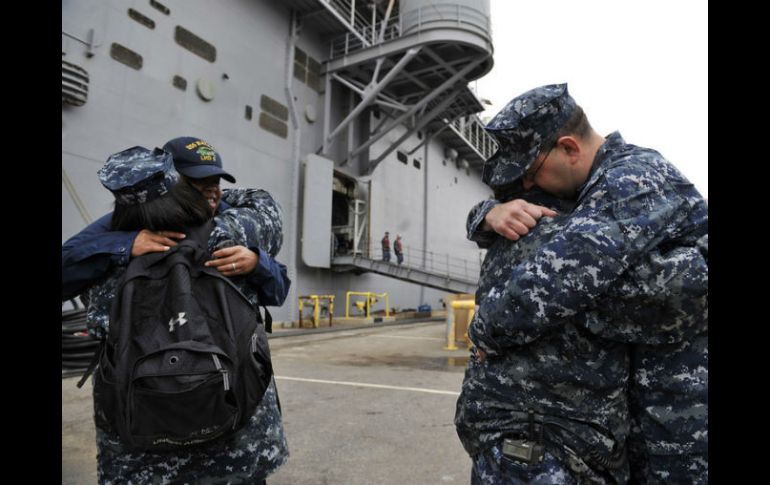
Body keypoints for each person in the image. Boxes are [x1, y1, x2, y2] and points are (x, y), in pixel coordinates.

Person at [455, 84, 707, 483]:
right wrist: (487, 214)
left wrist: (484, 333)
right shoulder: (589, 188)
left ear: (569, 148)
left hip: (678, 420)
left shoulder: (630, 179)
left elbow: (560, 278)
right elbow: (519, 213)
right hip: (635, 422)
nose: (527, 186)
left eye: (532, 172)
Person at [80, 145, 289, 484]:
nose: (213, 192)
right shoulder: (229, 244)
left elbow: (99, 327)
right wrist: (258, 261)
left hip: (142, 457)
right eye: (200, 186)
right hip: (237, 447)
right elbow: (277, 282)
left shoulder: (106, 260)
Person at [62, 136, 284, 300]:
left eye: (216, 182)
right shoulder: (135, 220)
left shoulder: (230, 217)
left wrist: (256, 263)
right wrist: (127, 244)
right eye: (198, 181)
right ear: (168, 180)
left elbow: (279, 291)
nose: (213, 190)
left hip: (218, 342)